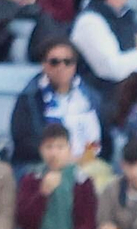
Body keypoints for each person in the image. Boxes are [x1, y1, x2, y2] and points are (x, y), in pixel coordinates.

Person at [8, 36, 106, 168]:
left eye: (67, 62)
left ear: (75, 66)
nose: (61, 67)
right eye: (54, 62)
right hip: (41, 163)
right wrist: (61, 157)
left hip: (86, 162)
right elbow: (24, 142)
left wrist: (83, 159)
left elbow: (102, 138)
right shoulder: (29, 97)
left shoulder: (91, 97)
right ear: (44, 65)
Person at [15, 123, 97, 229]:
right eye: (49, 147)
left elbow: (87, 222)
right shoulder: (31, 178)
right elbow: (23, 221)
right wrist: (42, 194)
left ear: (69, 149)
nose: (54, 153)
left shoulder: (82, 180)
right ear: (41, 150)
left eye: (60, 147)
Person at [68, 0, 137, 104]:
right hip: (102, 99)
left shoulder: (128, 17)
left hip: (133, 96)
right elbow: (112, 69)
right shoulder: (89, 22)